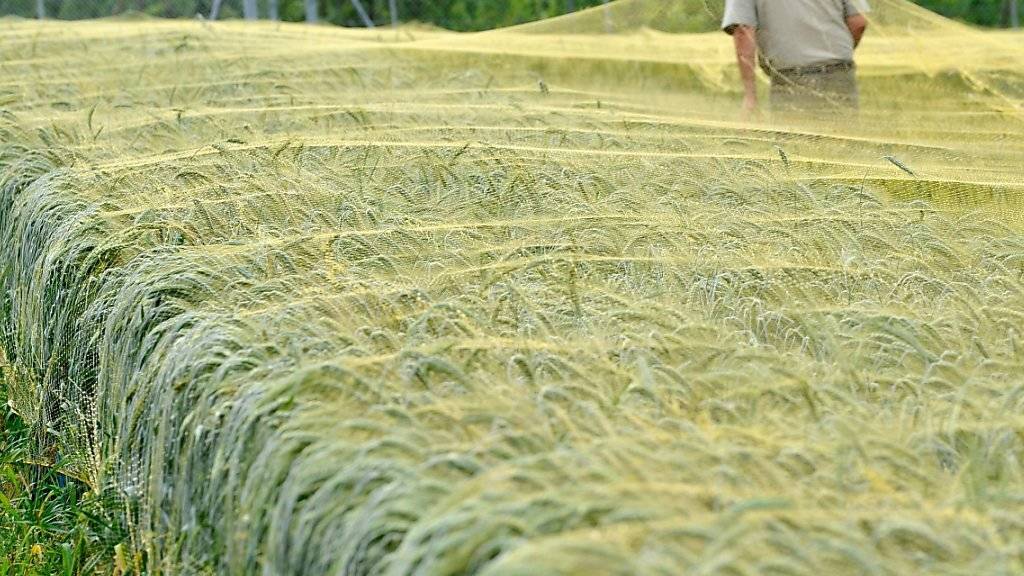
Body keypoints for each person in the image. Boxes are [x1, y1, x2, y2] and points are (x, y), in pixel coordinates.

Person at [722, 0, 870, 117]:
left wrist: (750, 95)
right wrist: (834, 55)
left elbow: (743, 31)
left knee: (794, 149)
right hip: (840, 77)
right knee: (843, 148)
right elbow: (858, 22)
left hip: (791, 81)